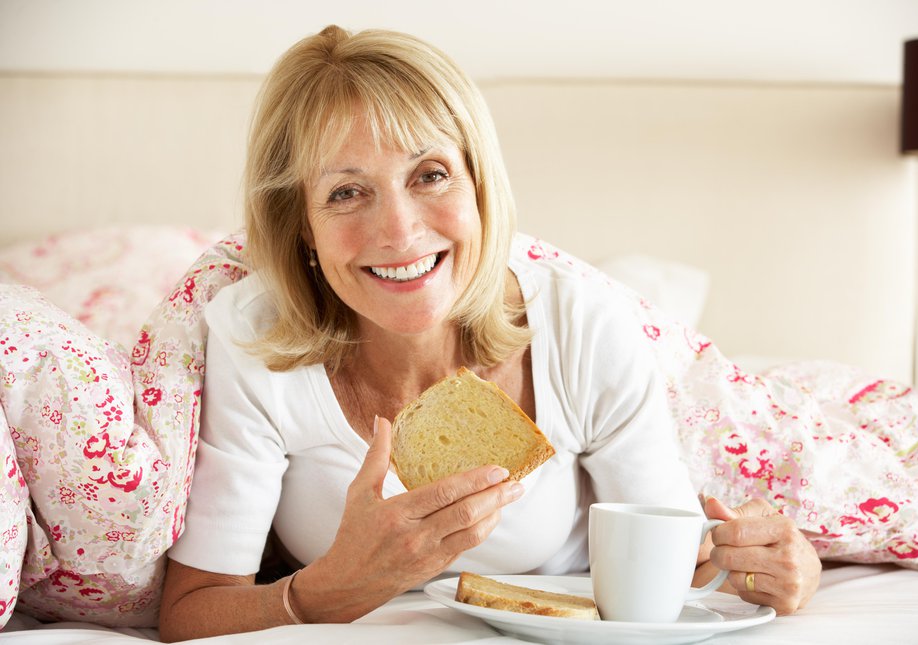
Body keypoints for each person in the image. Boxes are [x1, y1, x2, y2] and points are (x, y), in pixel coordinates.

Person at [159, 25, 821, 640]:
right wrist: (325, 590)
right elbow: (191, 611)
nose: (399, 231)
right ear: (301, 223)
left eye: (430, 174)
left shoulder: (581, 325)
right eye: (346, 192)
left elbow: (678, 560)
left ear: (479, 184)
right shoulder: (255, 339)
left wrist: (775, 562)